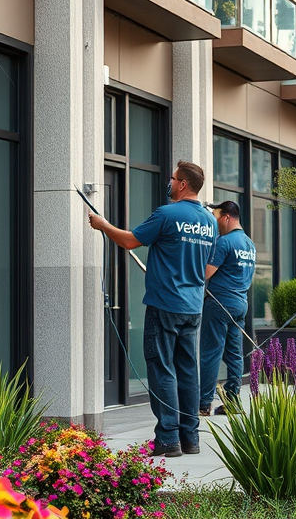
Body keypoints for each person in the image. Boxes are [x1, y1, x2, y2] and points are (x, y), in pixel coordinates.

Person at [89, 161, 216, 458]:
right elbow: (205, 263)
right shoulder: (209, 221)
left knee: (162, 369)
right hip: (193, 306)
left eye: (172, 178)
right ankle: (189, 438)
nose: (169, 183)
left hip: (164, 304)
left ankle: (168, 439)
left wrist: (103, 225)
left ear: (183, 184)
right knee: (187, 370)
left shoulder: (167, 214)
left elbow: (130, 241)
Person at [198, 201, 255, 417]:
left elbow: (205, 273)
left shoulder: (224, 242)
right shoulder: (249, 244)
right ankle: (233, 401)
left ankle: (204, 404)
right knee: (234, 354)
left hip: (220, 303)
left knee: (210, 353)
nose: (215, 222)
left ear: (226, 218)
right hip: (240, 304)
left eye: (216, 217)